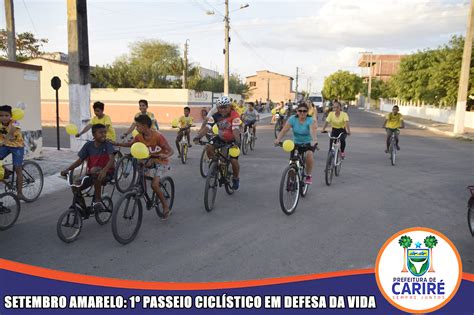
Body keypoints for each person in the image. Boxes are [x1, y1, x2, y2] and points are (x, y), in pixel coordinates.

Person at [114, 115, 174, 219]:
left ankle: (165, 206)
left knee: (154, 185)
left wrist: (166, 155)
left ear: (145, 126)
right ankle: (143, 191)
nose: (136, 128)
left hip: (161, 162)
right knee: (140, 167)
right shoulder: (138, 137)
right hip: (148, 160)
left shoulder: (158, 136)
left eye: (138, 126)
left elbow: (171, 150)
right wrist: (117, 143)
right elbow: (131, 145)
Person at [61, 124, 115, 213]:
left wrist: (105, 170)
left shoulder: (107, 144)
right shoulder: (88, 145)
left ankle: (97, 201)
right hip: (92, 174)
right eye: (100, 132)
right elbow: (79, 161)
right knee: (75, 186)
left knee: (94, 171)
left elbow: (112, 159)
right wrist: (67, 170)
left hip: (107, 173)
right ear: (93, 134)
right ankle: (84, 208)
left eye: (105, 132)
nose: (103, 135)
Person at [193, 96, 242, 190]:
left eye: (225, 107)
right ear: (217, 108)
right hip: (221, 137)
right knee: (208, 146)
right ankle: (215, 164)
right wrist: (198, 137)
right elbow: (207, 127)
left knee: (234, 161)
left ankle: (236, 178)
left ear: (230, 106)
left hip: (233, 139)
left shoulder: (235, 115)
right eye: (220, 107)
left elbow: (235, 130)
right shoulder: (215, 116)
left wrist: (237, 142)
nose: (223, 109)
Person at [274, 103, 318, 185]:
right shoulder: (292, 119)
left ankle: (308, 175)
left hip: (308, 143)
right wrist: (278, 139)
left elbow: (312, 131)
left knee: (309, 155)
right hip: (296, 143)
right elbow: (284, 130)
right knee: (292, 163)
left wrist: (314, 140)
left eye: (304, 111)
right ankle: (291, 180)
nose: (302, 113)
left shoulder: (310, 120)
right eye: (300, 111)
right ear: (297, 111)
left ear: (307, 112)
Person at [0, 105, 25, 200]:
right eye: (1, 115)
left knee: (18, 169)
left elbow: (10, 134)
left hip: (17, 146)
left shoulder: (15, 122)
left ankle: (20, 193)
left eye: (6, 115)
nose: (4, 118)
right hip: (5, 145)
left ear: (11, 116)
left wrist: (3, 142)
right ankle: (6, 171)